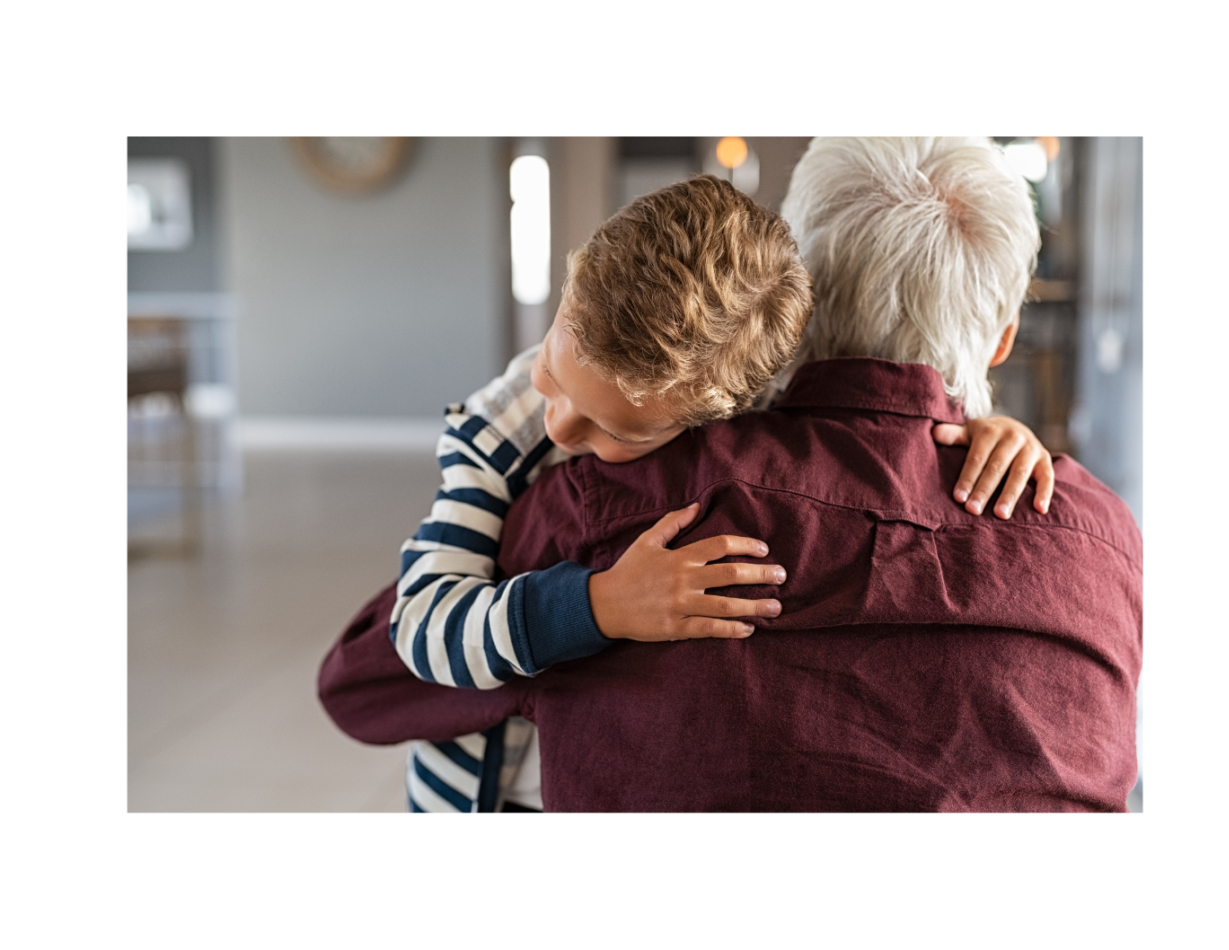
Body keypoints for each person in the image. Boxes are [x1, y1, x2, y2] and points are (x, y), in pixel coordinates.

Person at [325, 159, 1066, 812]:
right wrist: (599, 605)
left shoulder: (744, 409)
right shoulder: (492, 438)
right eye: (553, 370)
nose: (556, 428)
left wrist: (990, 425)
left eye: (617, 431)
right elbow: (421, 632)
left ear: (725, 422)